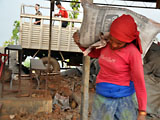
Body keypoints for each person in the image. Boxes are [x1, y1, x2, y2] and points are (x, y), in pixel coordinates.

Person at [73, 14, 147, 120]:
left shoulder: (133, 52)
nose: (114, 45)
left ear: (129, 41)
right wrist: (79, 43)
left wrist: (142, 112)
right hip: (102, 96)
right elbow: (93, 53)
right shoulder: (106, 44)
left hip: (124, 98)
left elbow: (139, 81)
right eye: (112, 39)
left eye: (119, 43)